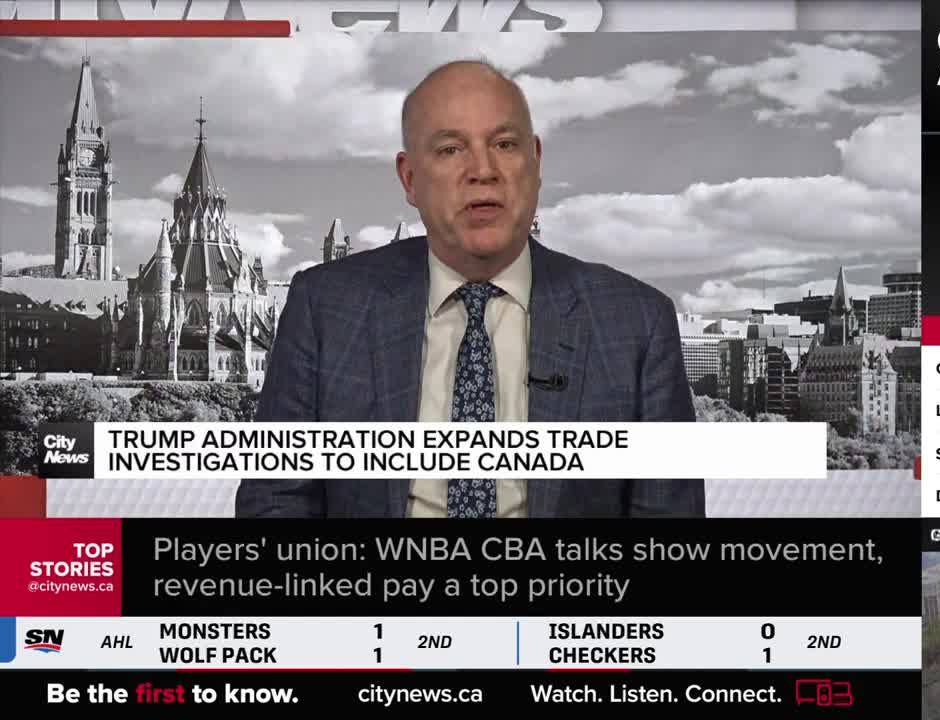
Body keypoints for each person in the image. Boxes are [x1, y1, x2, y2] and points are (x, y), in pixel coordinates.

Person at [235, 60, 703, 519]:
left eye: (504, 143)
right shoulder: (324, 308)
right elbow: (275, 500)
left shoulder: (638, 325)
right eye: (450, 149)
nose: (483, 170)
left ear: (536, 163)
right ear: (410, 178)